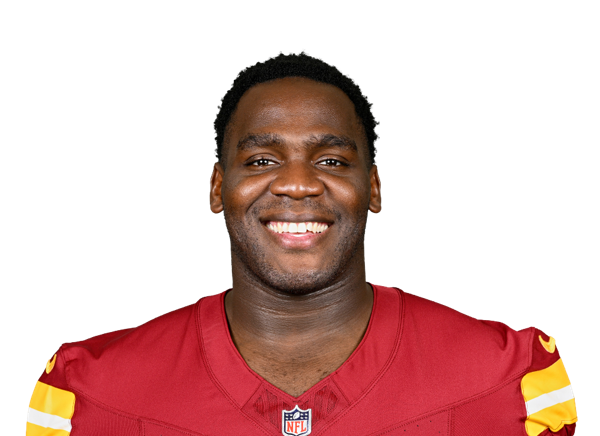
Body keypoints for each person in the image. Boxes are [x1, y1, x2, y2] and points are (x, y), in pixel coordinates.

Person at [26, 53, 577, 435]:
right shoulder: (86, 395)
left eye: (331, 160)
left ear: (374, 188)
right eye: (261, 160)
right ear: (218, 188)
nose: (297, 183)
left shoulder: (513, 383)